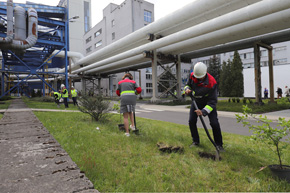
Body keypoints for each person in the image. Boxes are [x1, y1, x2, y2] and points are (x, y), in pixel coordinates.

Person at [184, 62, 224, 151]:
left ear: (205, 72)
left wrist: (203, 111)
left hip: (208, 103)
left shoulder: (212, 82)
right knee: (191, 121)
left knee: (214, 123)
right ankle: (195, 141)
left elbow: (213, 102)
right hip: (196, 102)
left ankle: (219, 145)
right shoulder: (192, 76)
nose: (198, 79)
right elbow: (187, 85)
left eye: (200, 77)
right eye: (196, 77)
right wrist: (186, 89)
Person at [116, 73, 142, 137]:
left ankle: (127, 133)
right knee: (131, 112)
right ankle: (133, 126)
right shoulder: (133, 82)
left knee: (125, 117)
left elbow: (117, 92)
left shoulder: (120, 82)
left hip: (124, 98)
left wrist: (120, 95)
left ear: (124, 77)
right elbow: (139, 90)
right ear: (130, 77)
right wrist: (135, 93)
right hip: (132, 99)